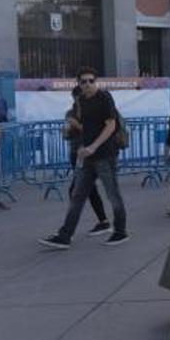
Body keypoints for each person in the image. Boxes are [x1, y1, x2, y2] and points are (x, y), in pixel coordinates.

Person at [39, 69, 129, 247]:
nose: (87, 84)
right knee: (77, 195)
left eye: (90, 80)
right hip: (88, 157)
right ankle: (65, 235)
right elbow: (86, 128)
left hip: (105, 155)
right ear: (78, 84)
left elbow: (110, 126)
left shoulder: (104, 98)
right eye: (83, 82)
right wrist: (81, 145)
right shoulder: (81, 101)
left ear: (96, 81)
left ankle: (120, 231)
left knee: (113, 195)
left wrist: (93, 146)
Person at [61, 87, 110, 236]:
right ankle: (103, 221)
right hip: (75, 152)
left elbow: (94, 130)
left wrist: (78, 125)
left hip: (88, 153)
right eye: (76, 98)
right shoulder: (71, 113)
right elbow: (68, 135)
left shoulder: (93, 111)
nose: (78, 101)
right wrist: (66, 132)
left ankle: (68, 228)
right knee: (89, 189)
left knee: (77, 189)